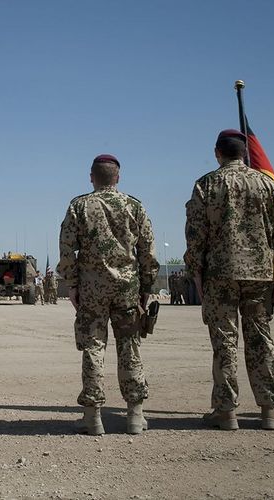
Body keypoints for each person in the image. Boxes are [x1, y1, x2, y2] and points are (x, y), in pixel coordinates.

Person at [184, 130, 274, 431]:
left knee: (225, 342)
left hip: (221, 274)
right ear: (243, 153)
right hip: (258, 274)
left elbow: (196, 235)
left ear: (218, 153)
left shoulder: (207, 184)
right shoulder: (266, 184)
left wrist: (197, 272)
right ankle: (269, 409)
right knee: (261, 340)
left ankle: (227, 411)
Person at [57, 154, 159, 435]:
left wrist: (73, 284)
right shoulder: (133, 206)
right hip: (128, 288)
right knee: (130, 347)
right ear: (118, 177)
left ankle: (93, 417)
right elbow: (147, 251)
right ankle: (135, 416)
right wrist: (147, 287)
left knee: (93, 347)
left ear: (92, 177)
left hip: (92, 289)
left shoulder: (79, 206)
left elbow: (67, 249)